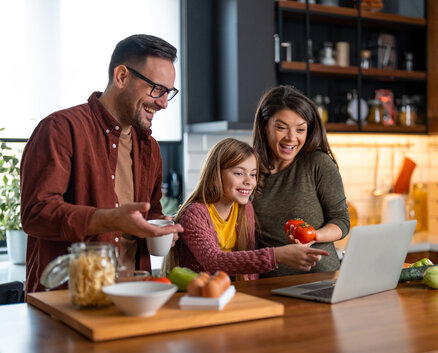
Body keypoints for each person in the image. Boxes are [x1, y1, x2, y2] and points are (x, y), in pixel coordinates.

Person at [20, 34, 184, 293]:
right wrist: (108, 219)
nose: (163, 103)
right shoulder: (60, 129)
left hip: (134, 294)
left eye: (169, 93)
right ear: (121, 77)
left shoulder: (149, 147)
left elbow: (148, 213)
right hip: (70, 299)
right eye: (157, 89)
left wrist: (161, 227)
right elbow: (37, 214)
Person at [162, 138, 329, 280]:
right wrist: (278, 255)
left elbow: (247, 266)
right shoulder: (194, 214)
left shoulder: (244, 209)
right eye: (239, 173)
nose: (249, 181)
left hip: (233, 294)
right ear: (216, 175)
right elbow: (213, 261)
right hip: (195, 296)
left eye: (253, 174)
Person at [252, 85, 350, 277]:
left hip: (320, 279)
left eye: (300, 129)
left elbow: (341, 220)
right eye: (281, 127)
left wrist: (313, 236)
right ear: (264, 126)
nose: (291, 138)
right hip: (268, 285)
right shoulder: (249, 171)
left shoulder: (317, 163)